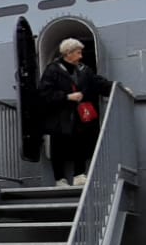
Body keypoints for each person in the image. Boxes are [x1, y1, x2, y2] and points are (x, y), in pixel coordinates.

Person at [37, 37, 113, 186]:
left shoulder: (84, 70)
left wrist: (116, 87)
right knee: (58, 147)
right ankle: (60, 179)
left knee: (81, 143)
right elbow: (44, 94)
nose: (81, 56)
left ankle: (79, 175)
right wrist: (66, 97)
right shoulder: (52, 70)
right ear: (68, 53)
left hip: (79, 115)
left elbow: (98, 83)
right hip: (59, 116)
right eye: (78, 53)